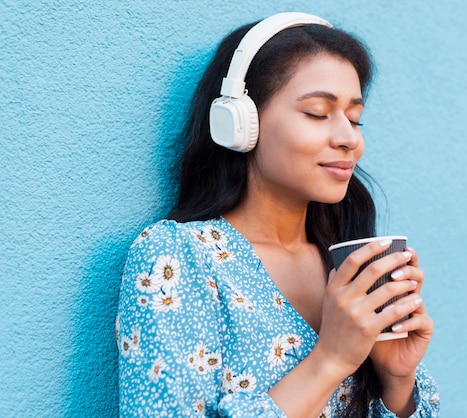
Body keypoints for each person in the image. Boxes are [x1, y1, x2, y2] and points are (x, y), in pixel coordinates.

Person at [116, 12, 439, 417]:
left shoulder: (344, 264)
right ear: (240, 123)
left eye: (355, 118)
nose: (349, 139)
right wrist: (331, 360)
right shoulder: (179, 257)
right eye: (318, 113)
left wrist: (396, 380)